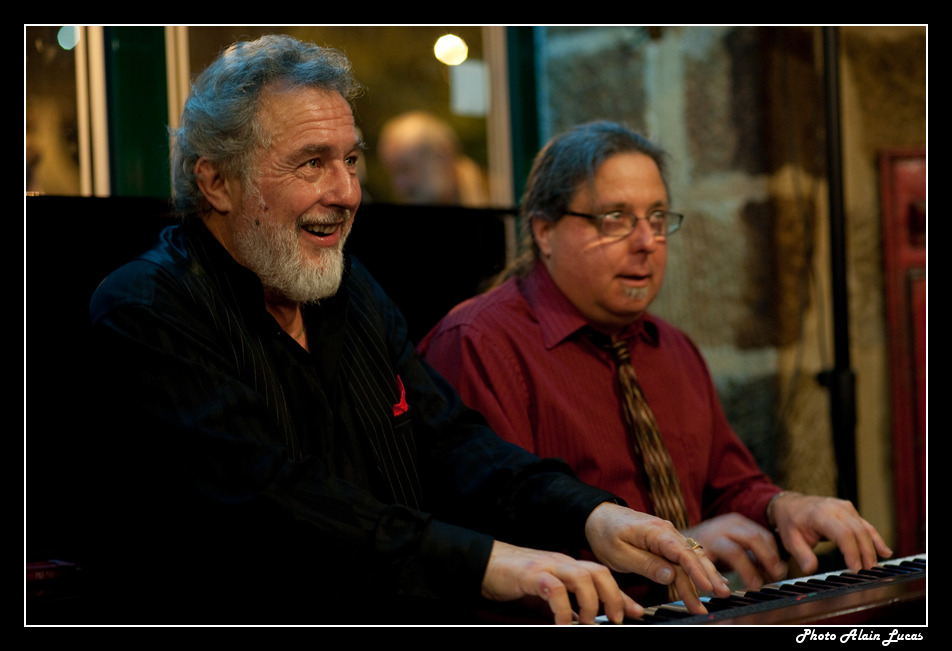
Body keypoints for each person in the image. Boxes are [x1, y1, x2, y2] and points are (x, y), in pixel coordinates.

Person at [81, 36, 730, 625]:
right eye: (312, 163)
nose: (347, 192)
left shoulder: (350, 287)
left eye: (351, 159)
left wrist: (591, 513)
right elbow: (272, 500)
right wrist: (488, 562)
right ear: (217, 181)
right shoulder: (145, 307)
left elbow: (453, 442)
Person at [418, 121, 893, 607]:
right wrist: (675, 547)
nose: (647, 241)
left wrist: (782, 506)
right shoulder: (479, 341)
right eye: (616, 218)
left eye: (658, 216)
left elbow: (728, 487)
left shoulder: (672, 347)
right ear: (544, 232)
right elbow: (492, 545)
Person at [377, 110, 489, 206]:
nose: (399, 184)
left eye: (406, 168)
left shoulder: (495, 196)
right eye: (393, 173)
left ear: (443, 154)